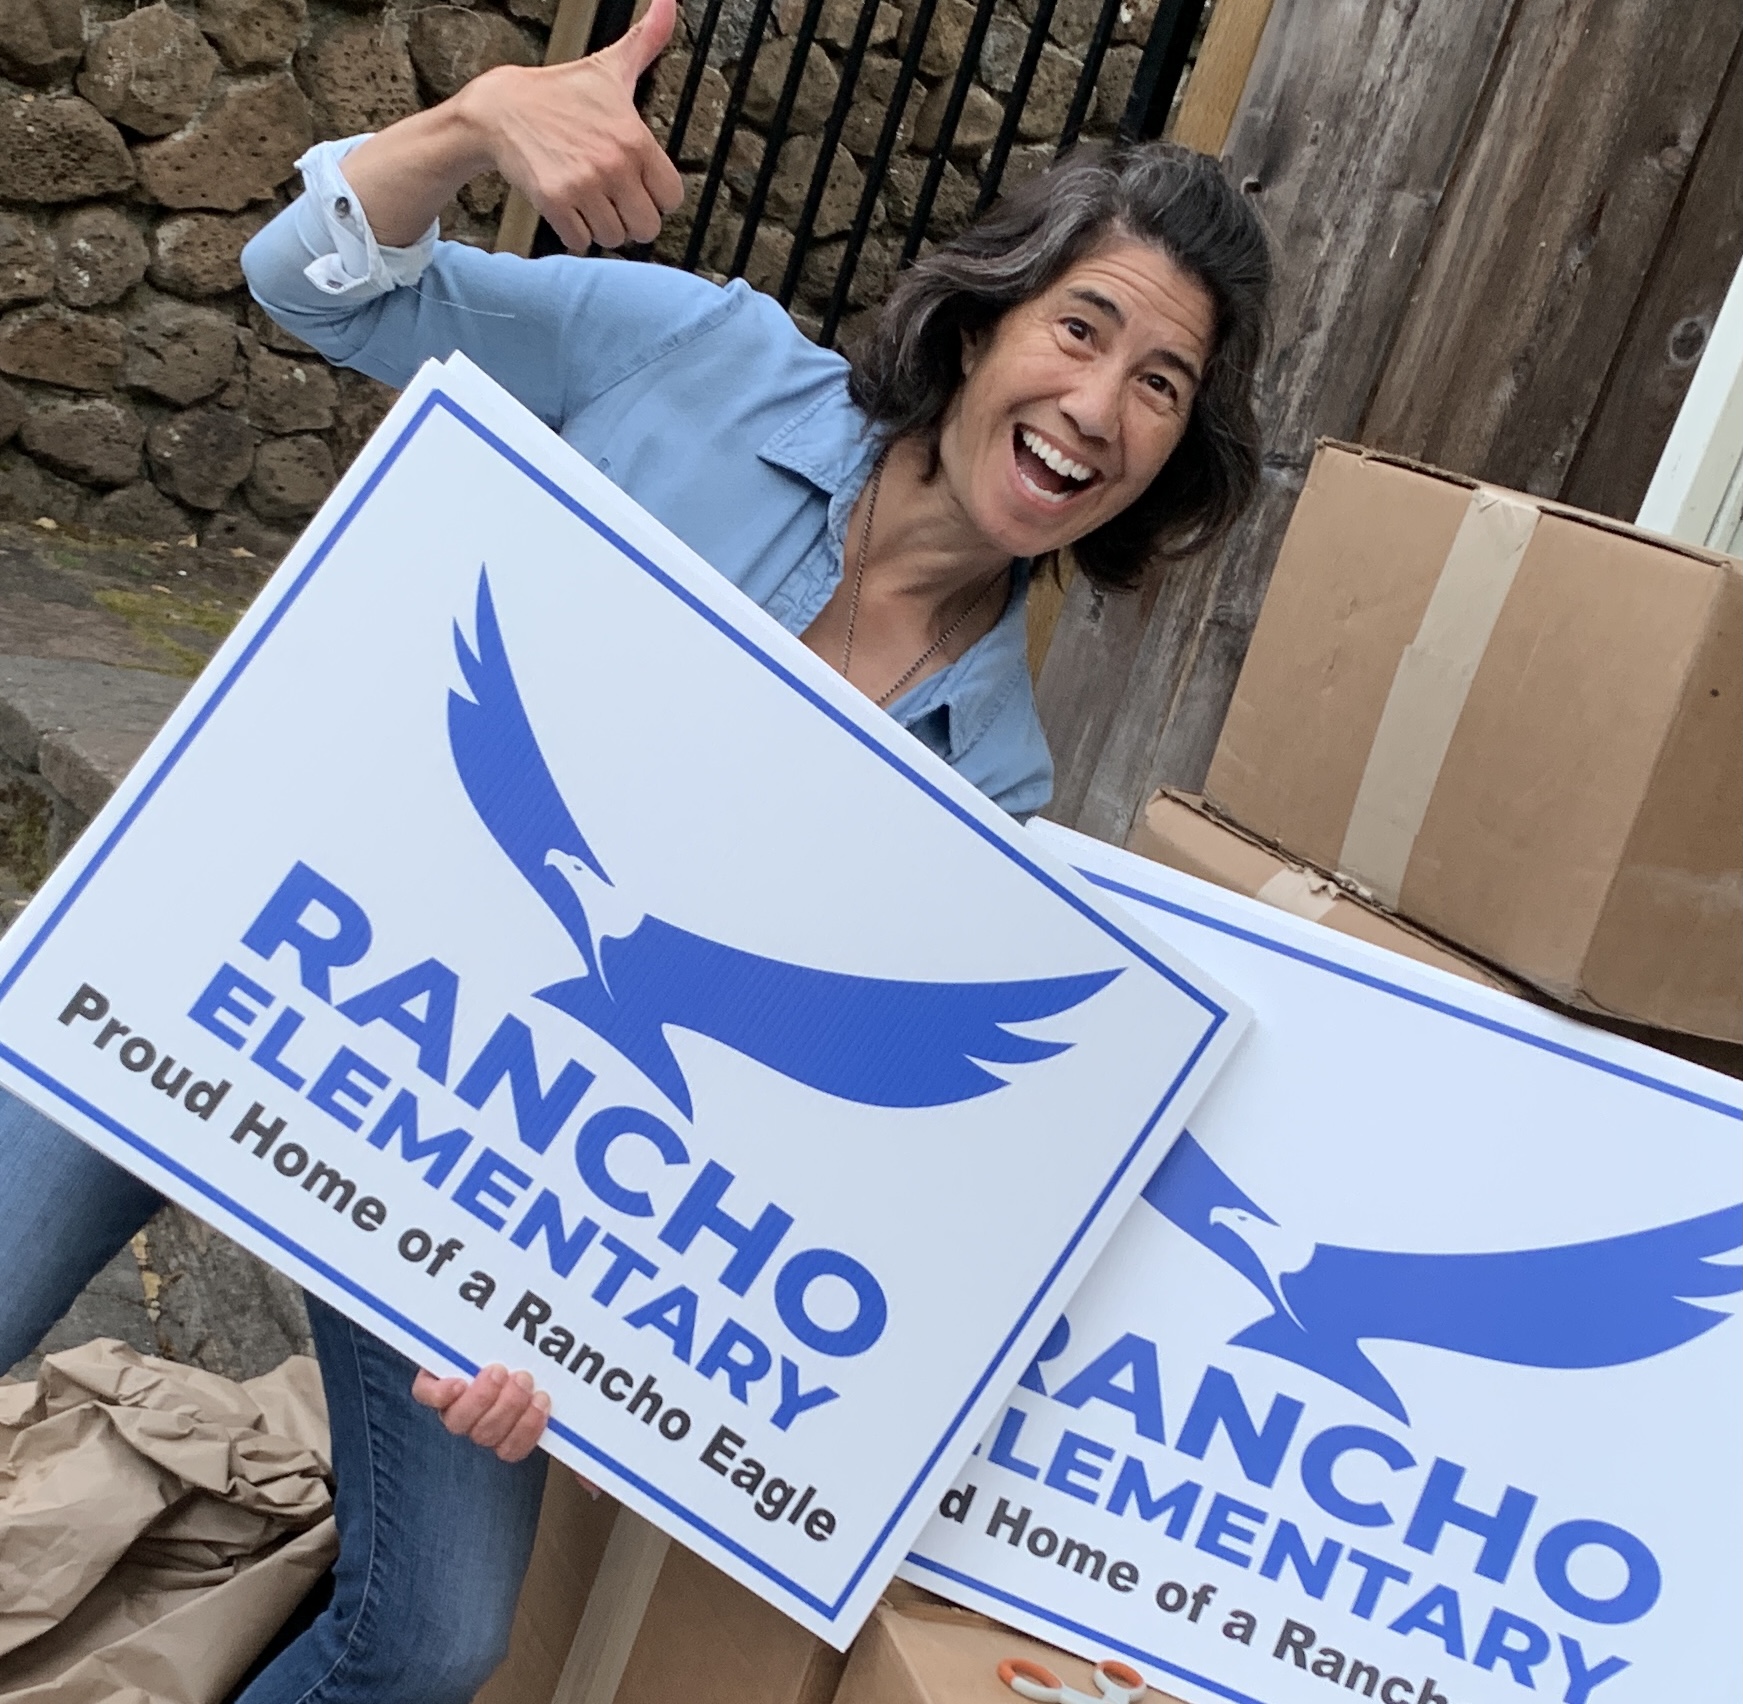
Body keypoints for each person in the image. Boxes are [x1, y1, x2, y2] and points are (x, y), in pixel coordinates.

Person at [0, 1, 1270, 1695]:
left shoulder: (996, 787)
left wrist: (579, 1344)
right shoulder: (704, 358)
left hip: (472, 1151)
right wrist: (472, 124)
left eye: (1159, 386)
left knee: (431, 1642)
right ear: (984, 322)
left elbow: (762, 1131)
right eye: (1081, 328)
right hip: (234, 956)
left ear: (1173, 458)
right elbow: (312, 286)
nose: (1095, 405)